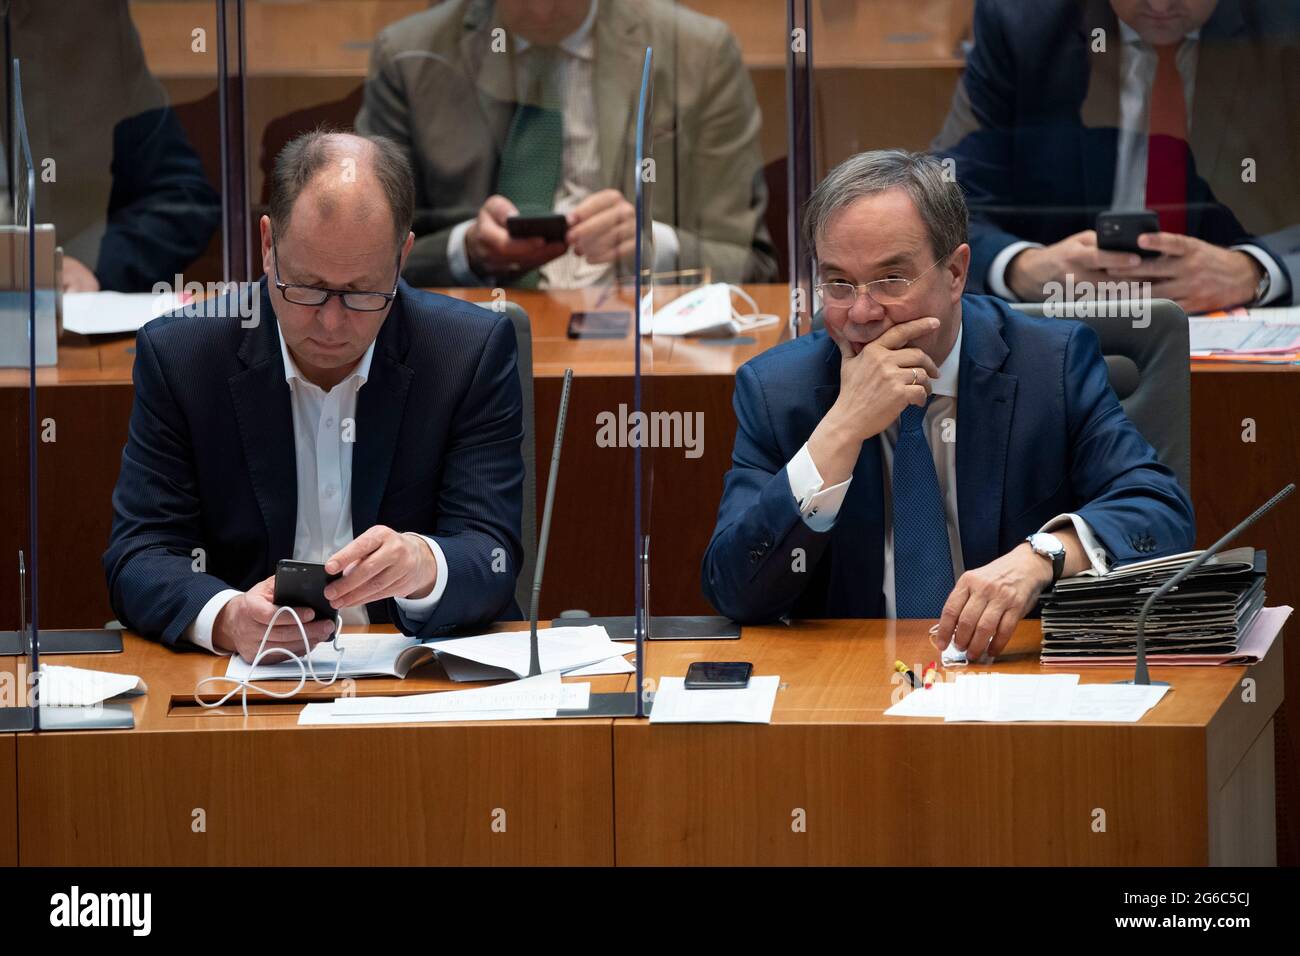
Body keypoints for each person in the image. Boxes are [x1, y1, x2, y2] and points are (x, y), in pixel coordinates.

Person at [701, 149, 1195, 661]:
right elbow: (736, 589)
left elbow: (1160, 514)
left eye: (891, 279)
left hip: (1017, 680)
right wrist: (842, 428)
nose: (862, 313)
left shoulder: (1050, 366)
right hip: (856, 685)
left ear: (956, 272)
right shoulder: (778, 390)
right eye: (840, 284)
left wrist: (1040, 557)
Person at [103, 131, 524, 662]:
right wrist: (228, 617)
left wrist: (424, 565)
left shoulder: (467, 353)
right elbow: (140, 556)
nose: (330, 322)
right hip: (246, 691)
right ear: (267, 245)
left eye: (362, 292)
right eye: (305, 287)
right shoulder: (184, 357)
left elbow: (492, 553)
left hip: (416, 681)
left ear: (403, 257)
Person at [355, 0, 776, 288]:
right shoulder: (410, 59)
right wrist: (466, 249)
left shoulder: (698, 55)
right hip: (467, 338)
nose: (542, 9)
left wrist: (651, 243)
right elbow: (359, 261)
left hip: (641, 337)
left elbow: (752, 267)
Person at [931, 0, 1300, 313]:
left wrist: (1257, 270)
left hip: (1249, 339)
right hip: (1069, 332)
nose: (1159, 5)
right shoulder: (1023, 19)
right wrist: (1019, 267)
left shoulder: (1285, 21)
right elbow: (943, 199)